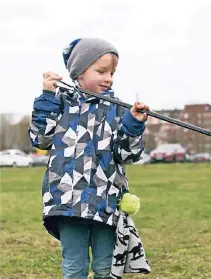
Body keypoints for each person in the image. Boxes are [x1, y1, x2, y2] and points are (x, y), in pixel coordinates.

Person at [29, 37, 149, 279]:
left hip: (106, 201)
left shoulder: (118, 110)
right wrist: (46, 99)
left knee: (105, 267)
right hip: (67, 201)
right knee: (74, 266)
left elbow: (127, 154)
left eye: (112, 72)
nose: (109, 78)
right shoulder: (59, 103)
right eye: (101, 71)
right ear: (79, 72)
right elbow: (40, 139)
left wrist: (133, 126)